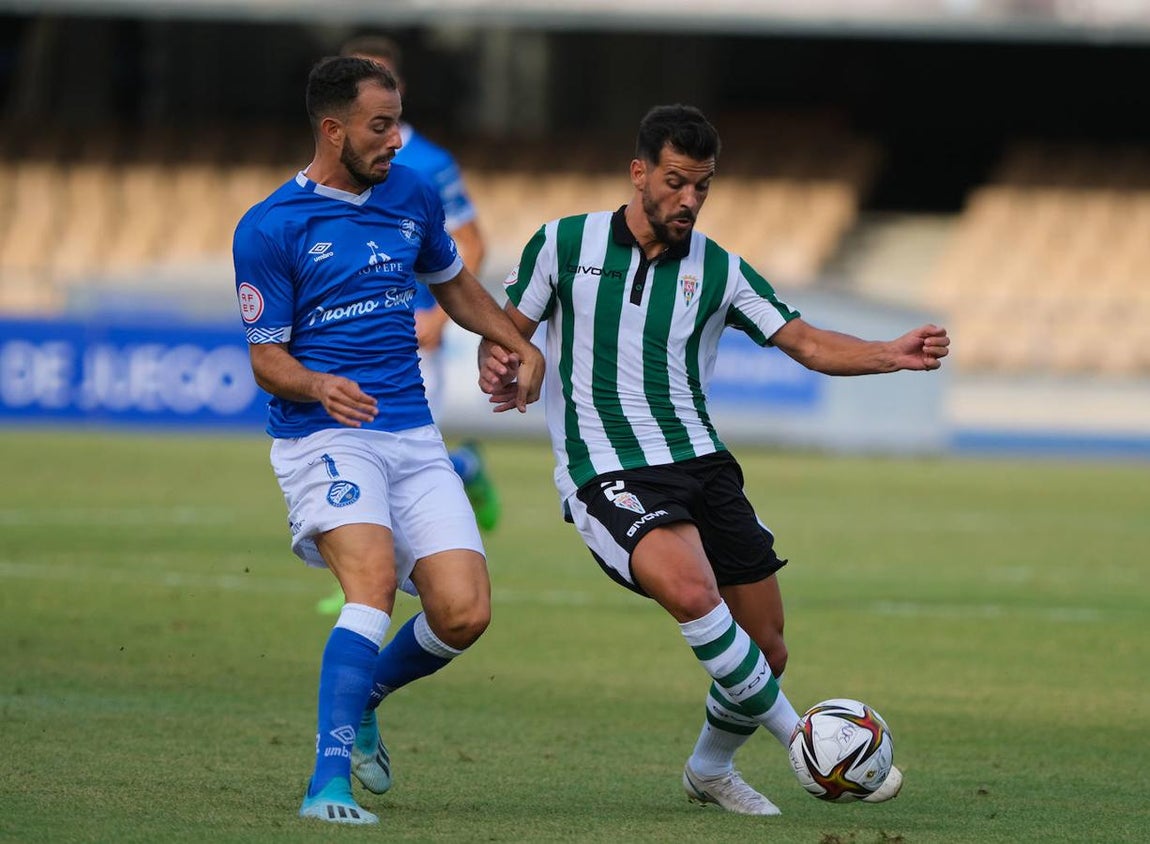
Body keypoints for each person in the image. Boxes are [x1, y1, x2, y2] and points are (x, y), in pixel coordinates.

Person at [479, 104, 947, 815]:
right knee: (696, 593)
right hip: (606, 468)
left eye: (702, 186)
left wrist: (891, 353)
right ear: (639, 174)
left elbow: (806, 343)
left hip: (702, 463)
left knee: (767, 647)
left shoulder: (720, 270)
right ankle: (808, 747)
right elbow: (504, 330)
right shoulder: (562, 244)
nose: (689, 200)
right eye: (676, 182)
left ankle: (709, 770)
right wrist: (507, 361)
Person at [232, 56, 543, 825]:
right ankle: (326, 784)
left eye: (398, 122)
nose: (396, 140)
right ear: (333, 130)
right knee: (368, 583)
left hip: (411, 434)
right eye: (380, 126)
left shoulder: (410, 194)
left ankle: (363, 694)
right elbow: (266, 358)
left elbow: (455, 284)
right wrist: (317, 384)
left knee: (464, 612)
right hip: (323, 434)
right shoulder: (271, 226)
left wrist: (516, 340)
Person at [313, 34, 499, 617]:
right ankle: (368, 583)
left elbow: (470, 240)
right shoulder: (338, 159)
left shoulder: (429, 164)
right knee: (362, 455)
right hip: (348, 341)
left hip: (410, 335)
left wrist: (439, 314)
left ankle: (371, 589)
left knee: (404, 456)